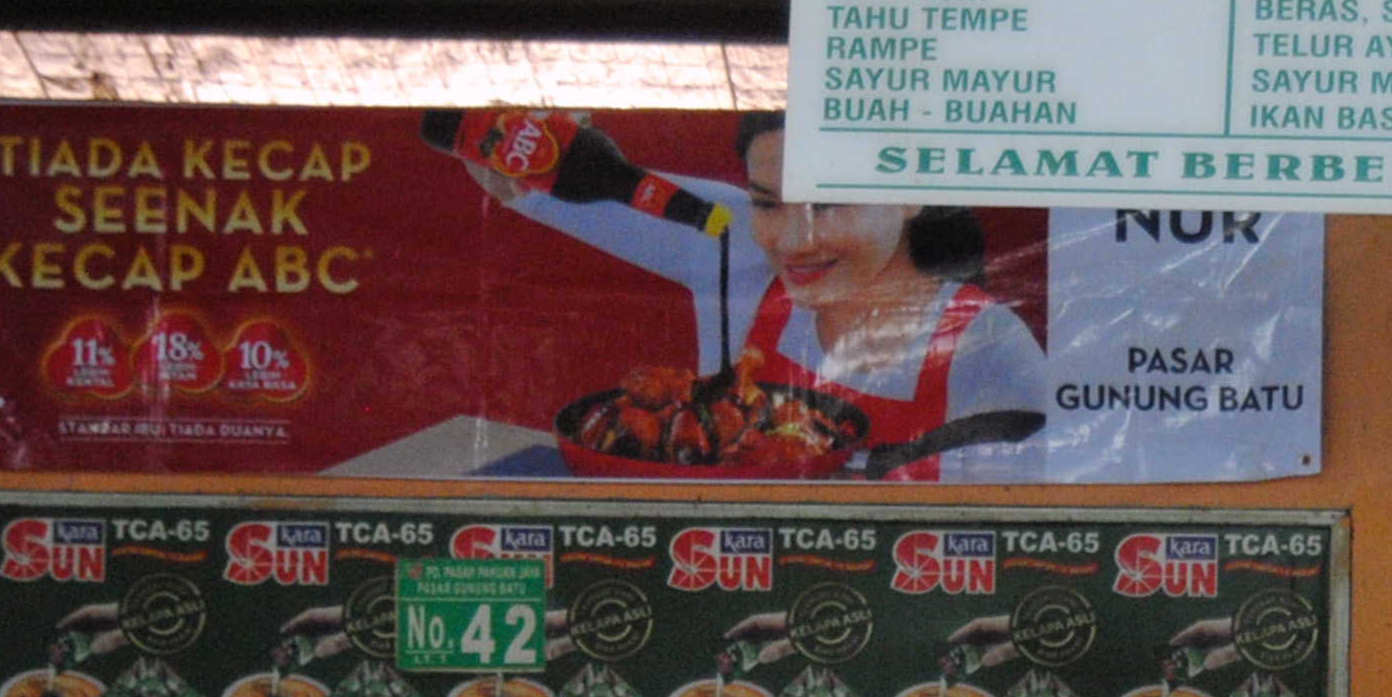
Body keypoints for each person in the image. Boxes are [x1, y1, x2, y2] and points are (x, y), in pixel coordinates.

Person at [449, 108, 1049, 479]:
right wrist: (525, 128)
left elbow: (1031, 518)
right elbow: (517, 183)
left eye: (831, 201)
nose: (796, 240)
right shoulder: (729, 239)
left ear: (913, 194)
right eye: (767, 202)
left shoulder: (987, 340)